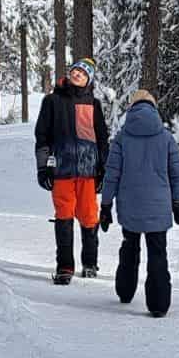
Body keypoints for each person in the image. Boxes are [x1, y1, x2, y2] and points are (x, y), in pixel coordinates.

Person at [99, 90, 179, 318]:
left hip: (130, 206)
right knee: (158, 252)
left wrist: (105, 205)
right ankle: (158, 304)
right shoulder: (166, 137)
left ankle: (125, 291)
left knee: (130, 246)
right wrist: (177, 201)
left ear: (132, 108)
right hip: (158, 206)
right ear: (153, 107)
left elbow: (112, 174)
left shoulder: (122, 137)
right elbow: (177, 172)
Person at [34, 58, 109, 284]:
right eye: (76, 70)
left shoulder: (93, 104)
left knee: (89, 217)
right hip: (61, 170)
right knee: (64, 216)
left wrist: (103, 169)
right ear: (70, 72)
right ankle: (64, 266)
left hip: (88, 171)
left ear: (89, 80)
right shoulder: (52, 101)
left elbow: (102, 140)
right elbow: (42, 137)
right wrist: (43, 167)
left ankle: (90, 263)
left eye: (84, 73)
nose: (78, 75)